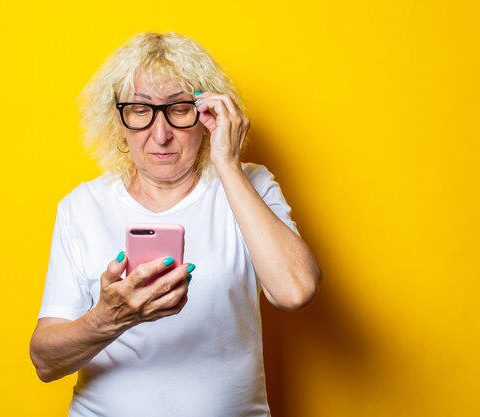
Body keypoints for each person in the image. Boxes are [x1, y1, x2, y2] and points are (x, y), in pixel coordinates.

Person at [29, 32, 321, 417]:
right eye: (140, 109)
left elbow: (296, 291)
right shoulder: (82, 207)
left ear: (209, 115)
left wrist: (228, 164)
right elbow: (45, 362)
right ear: (117, 121)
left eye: (179, 108)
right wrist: (109, 318)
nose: (161, 133)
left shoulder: (250, 185)